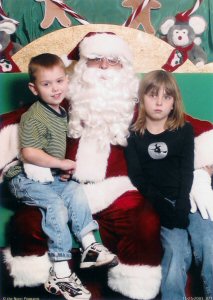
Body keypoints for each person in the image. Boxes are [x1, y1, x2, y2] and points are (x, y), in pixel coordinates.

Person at [2, 33, 163, 300]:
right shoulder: (61, 98)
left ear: (123, 67)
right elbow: (19, 119)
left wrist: (202, 172)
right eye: (95, 59)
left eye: (112, 60)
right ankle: (44, 285)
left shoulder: (135, 105)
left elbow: (178, 124)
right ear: (82, 64)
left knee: (145, 222)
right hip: (63, 185)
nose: (102, 66)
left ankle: (132, 289)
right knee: (28, 222)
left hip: (118, 189)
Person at [5, 53, 117, 300]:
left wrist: (61, 170)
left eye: (59, 81)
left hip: (48, 176)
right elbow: (30, 153)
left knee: (76, 189)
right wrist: (60, 163)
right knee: (55, 206)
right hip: (23, 179)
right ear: (34, 89)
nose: (55, 89)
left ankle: (89, 246)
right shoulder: (33, 116)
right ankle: (61, 272)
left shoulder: (61, 111)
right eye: (46, 84)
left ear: (66, 80)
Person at [124, 69, 213, 299]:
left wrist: (183, 199)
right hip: (160, 202)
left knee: (208, 243)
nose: (159, 102)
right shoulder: (134, 136)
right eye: (153, 95)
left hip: (188, 198)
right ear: (142, 98)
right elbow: (138, 177)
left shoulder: (184, 131)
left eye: (166, 97)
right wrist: (162, 205)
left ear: (174, 102)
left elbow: (186, 168)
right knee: (174, 252)